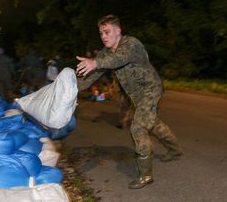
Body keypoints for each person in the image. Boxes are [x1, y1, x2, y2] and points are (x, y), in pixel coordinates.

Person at [76, 14, 182, 189]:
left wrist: (95, 62)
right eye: (101, 33)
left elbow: (118, 58)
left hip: (151, 88)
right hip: (136, 94)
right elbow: (91, 75)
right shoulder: (105, 53)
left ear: (118, 31)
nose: (104, 36)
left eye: (107, 32)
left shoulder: (130, 44)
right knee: (153, 123)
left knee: (138, 126)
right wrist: (70, 89)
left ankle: (146, 175)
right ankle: (175, 149)